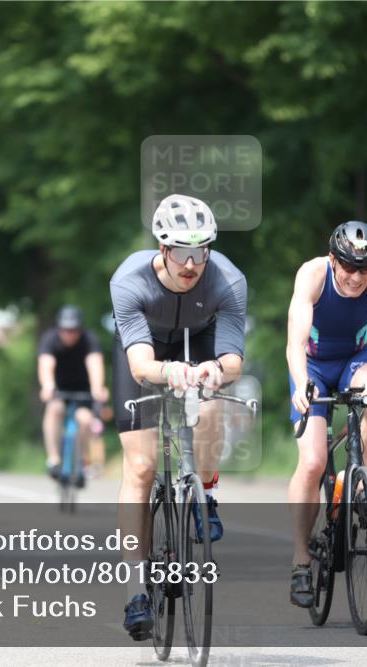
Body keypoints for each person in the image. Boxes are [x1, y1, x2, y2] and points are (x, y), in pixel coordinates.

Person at [110, 193, 247, 640]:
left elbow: (232, 361)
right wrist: (171, 373)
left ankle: (205, 493)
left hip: (199, 341)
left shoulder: (227, 281)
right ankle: (135, 591)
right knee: (143, 467)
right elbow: (141, 366)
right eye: (183, 253)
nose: (192, 264)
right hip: (147, 353)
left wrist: (213, 371)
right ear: (163, 250)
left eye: (201, 251)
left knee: (210, 407)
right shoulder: (128, 281)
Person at [285, 220, 367, 607]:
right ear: (334, 260)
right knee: (312, 462)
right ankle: (301, 558)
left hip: (356, 359)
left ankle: (361, 484)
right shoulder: (312, 275)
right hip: (314, 367)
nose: (356, 277)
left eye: (364, 269)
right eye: (349, 268)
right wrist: (303, 381)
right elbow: (295, 342)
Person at [37, 305, 108, 483]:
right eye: (65, 330)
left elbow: (95, 364)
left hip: (84, 390)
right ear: (59, 328)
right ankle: (54, 459)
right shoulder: (50, 339)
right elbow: (46, 364)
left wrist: (98, 387)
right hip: (59, 389)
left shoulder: (89, 340)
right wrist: (47, 386)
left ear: (80, 328)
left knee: (85, 420)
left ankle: (82, 460)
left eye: (74, 330)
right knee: (54, 409)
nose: (69, 334)